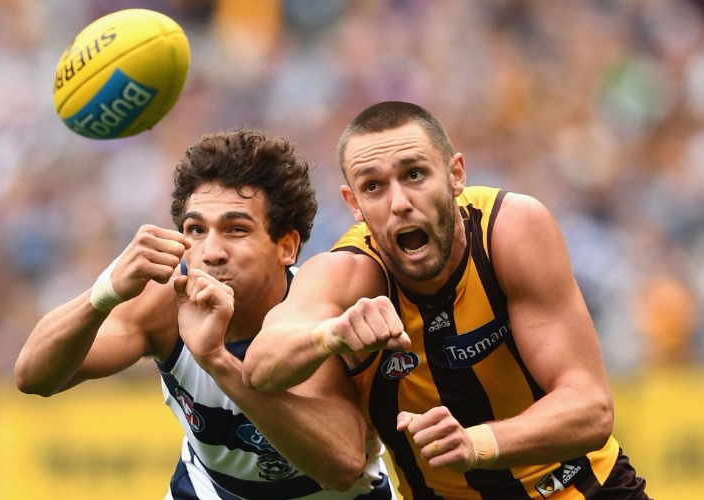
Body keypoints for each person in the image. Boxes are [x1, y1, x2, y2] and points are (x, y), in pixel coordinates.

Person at [243, 102, 650, 499]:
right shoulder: (348, 274)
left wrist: (476, 444)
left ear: (456, 175)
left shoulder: (510, 230)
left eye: (415, 174)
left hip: (585, 487)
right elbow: (261, 366)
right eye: (373, 187)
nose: (399, 202)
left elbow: (591, 408)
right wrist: (331, 335)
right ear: (354, 205)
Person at [14, 128, 394, 499]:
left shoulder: (313, 309)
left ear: (286, 246)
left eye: (235, 230)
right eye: (196, 229)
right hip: (209, 489)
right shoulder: (163, 302)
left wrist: (216, 360)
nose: (211, 252)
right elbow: (33, 376)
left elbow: (341, 467)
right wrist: (106, 292)